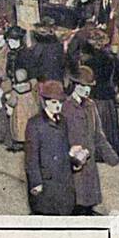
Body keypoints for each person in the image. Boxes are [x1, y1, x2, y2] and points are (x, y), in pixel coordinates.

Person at [62, 66, 119, 215]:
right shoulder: (66, 108)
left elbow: (98, 134)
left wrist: (111, 156)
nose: (87, 90)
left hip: (89, 163)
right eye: (83, 86)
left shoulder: (91, 106)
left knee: (88, 200)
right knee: (73, 202)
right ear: (75, 85)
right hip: (72, 165)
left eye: (89, 87)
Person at [24, 80, 77, 216]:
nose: (58, 105)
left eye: (60, 102)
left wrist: (73, 155)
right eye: (53, 102)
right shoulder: (35, 124)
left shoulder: (63, 121)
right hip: (46, 181)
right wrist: (36, 183)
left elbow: (64, 146)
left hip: (63, 177)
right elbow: (31, 158)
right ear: (45, 102)